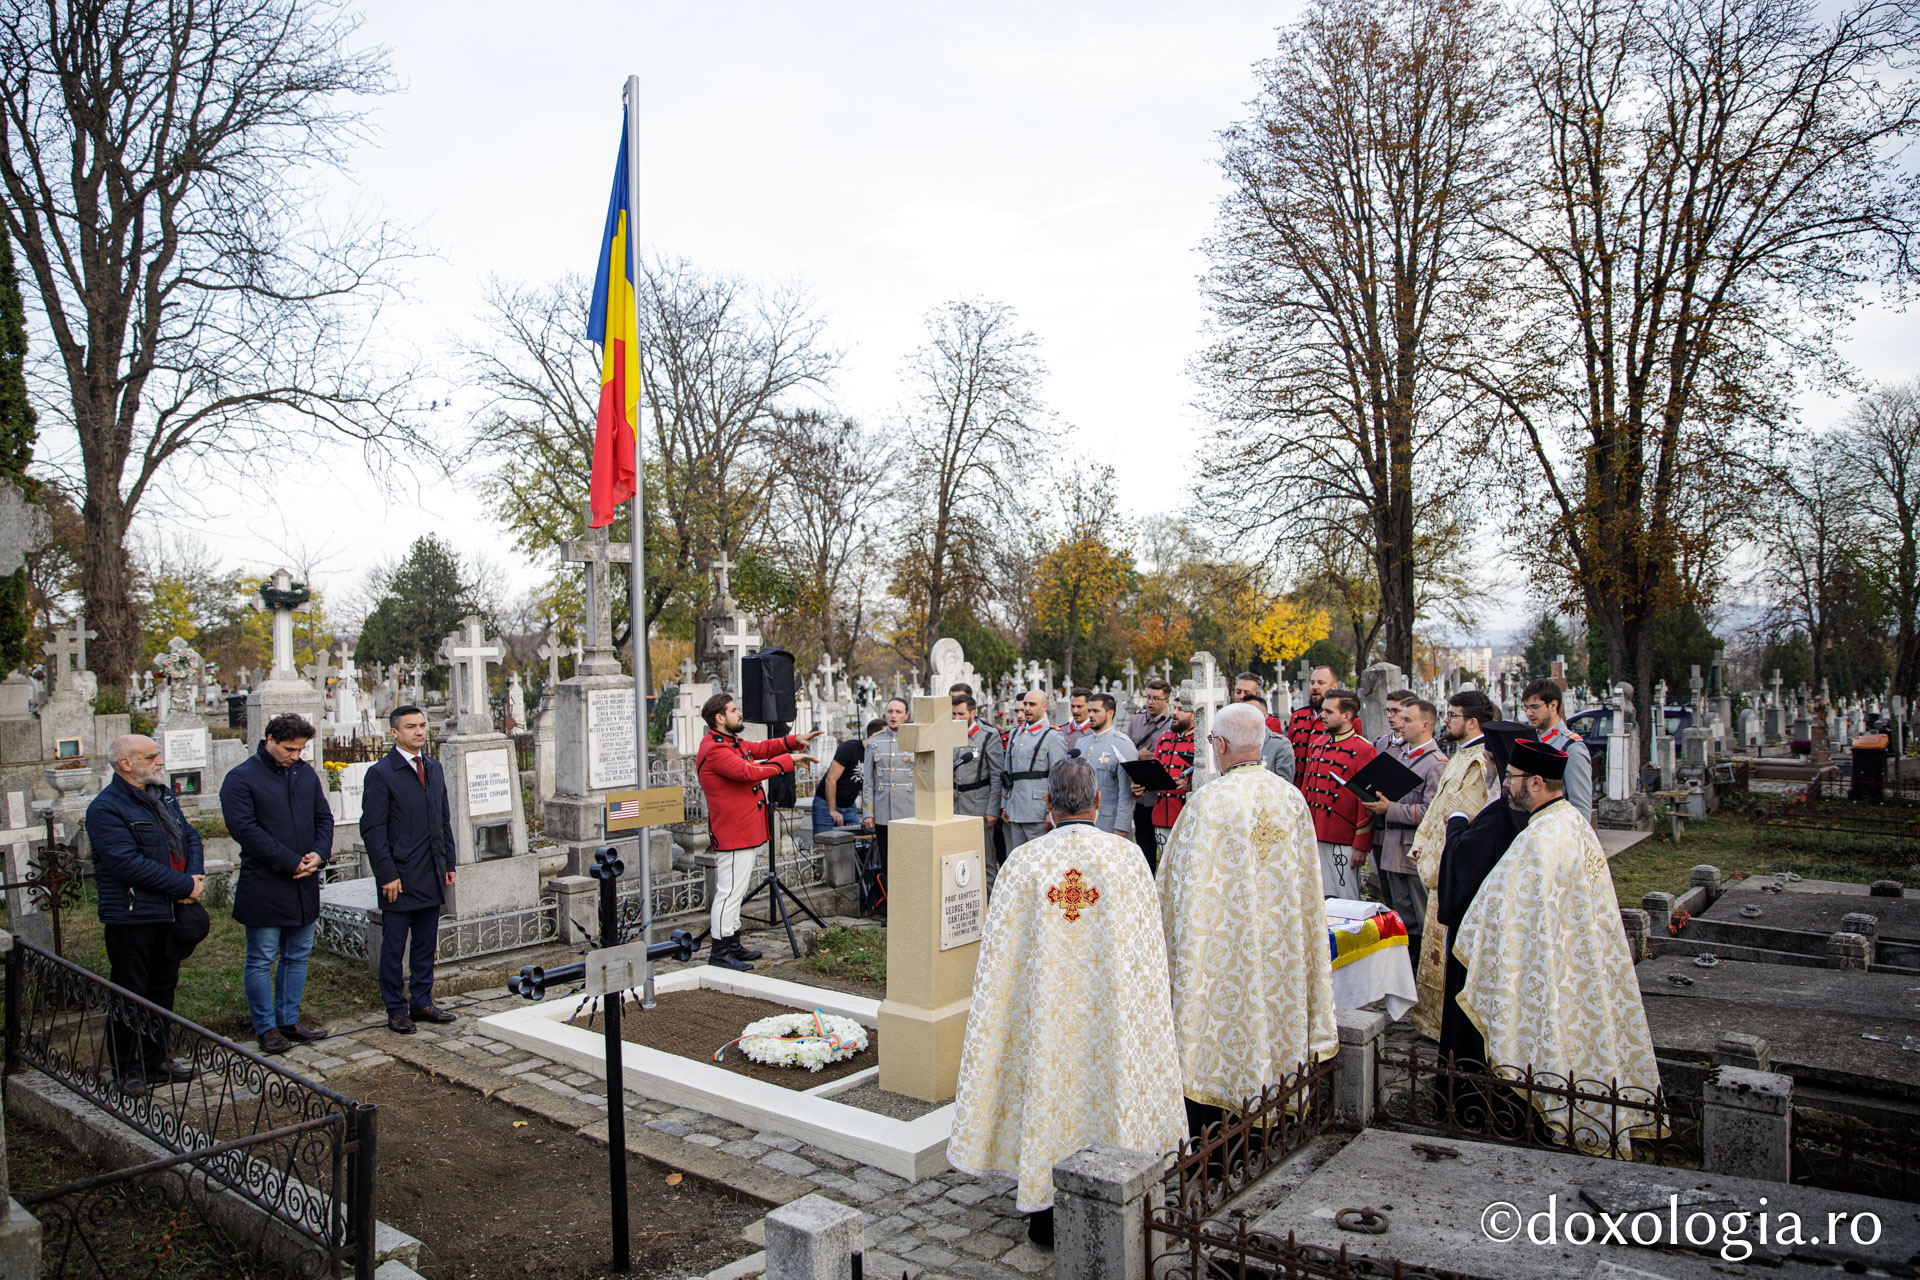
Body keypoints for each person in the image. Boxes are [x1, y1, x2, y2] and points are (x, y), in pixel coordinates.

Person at [948, 757, 1186, 1249]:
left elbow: (1000, 964)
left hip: (1047, 1024)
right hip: (1111, 1018)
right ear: (1099, 803)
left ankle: (1046, 1210)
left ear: (1047, 804)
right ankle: (1122, 1190)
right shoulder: (1127, 858)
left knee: (1051, 1093)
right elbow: (1148, 953)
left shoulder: (1024, 862)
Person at [1451, 738, 1663, 1154]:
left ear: (1534, 783)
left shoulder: (1540, 839)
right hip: (1577, 959)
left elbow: (1496, 910)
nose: (1505, 786)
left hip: (1551, 965)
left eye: (1510, 779)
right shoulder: (1570, 823)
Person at [1158, 703, 1336, 1137]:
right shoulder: (1290, 798)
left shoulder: (1209, 802)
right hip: (1280, 949)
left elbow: (1175, 888)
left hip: (1225, 959)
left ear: (1219, 745)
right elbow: (1308, 889)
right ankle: (1279, 1110)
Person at [87, 734, 206, 1094]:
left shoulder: (162, 795)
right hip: (133, 915)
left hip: (171, 911)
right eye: (152, 756)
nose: (161, 762)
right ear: (126, 764)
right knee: (131, 993)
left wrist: (194, 877)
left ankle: (156, 1058)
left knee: (162, 988)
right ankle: (127, 1068)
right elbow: (127, 865)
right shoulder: (106, 808)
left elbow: (190, 837)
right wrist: (183, 886)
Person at [221, 713, 333, 1056]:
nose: (295, 756)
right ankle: (266, 1027)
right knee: (262, 957)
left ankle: (289, 1019)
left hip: (304, 881)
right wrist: (289, 861)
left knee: (298, 955)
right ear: (269, 739)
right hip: (266, 881)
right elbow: (246, 831)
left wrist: (319, 854)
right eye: (289, 749)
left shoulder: (304, 773)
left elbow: (323, 817)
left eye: (300, 750)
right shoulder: (241, 779)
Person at [697, 693, 819, 971]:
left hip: (744, 829)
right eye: (733, 710)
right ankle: (719, 951)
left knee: (736, 892)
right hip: (732, 831)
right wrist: (788, 761)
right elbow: (748, 772)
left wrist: (791, 741)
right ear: (719, 718)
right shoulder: (714, 749)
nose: (739, 714)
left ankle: (732, 942)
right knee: (728, 892)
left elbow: (761, 748)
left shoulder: (731, 742)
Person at [1405, 690, 1499, 1039]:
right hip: (1439, 865)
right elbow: (1440, 807)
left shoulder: (1481, 761)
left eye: (1453, 715)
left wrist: (1439, 856)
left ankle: (1448, 1025)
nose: (1448, 720)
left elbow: (1465, 814)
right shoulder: (1461, 756)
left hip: (1454, 869)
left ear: (1472, 721)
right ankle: (1431, 1022)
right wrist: (1423, 846)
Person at [361, 705, 458, 1034]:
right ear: (394, 733)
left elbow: (443, 818)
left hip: (431, 870)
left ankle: (421, 1000)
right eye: (410, 727)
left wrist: (449, 861)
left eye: (422, 725)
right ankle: (395, 1007)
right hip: (399, 877)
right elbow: (373, 829)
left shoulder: (433, 768)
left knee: (425, 943)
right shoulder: (382, 773)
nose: (419, 731)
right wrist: (387, 873)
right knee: (394, 946)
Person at [1361, 699, 1444, 961]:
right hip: (1392, 849)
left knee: (1419, 919)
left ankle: (1420, 975)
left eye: (1408, 720)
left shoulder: (1436, 763)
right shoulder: (1401, 755)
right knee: (1400, 917)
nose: (1401, 724)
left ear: (1426, 725)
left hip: (1412, 853)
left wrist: (1391, 810)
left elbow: (1432, 812)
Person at [1298, 689, 1375, 898]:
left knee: (1347, 899)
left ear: (1346, 715)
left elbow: (1366, 802)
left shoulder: (1363, 749)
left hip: (1344, 838)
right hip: (1316, 834)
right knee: (1319, 898)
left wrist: (1361, 845)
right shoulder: (1318, 744)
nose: (1322, 715)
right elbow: (1307, 790)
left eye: (1329, 712)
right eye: (1323, 710)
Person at [999, 688, 1069, 855]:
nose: (1027, 708)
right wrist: (1004, 805)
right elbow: (1007, 773)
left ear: (1044, 706)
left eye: (1032, 704)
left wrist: (1051, 812)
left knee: (1040, 860)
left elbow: (1058, 778)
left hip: (1038, 812)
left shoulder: (1052, 737)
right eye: (1025, 704)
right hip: (1015, 809)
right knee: (1017, 859)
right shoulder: (1016, 734)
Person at [949, 694, 1005, 890]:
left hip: (979, 803)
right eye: (953, 714)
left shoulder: (988, 735)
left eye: (961, 714)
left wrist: (993, 809)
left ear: (973, 713)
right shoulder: (949, 733)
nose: (956, 718)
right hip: (955, 803)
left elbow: (997, 775)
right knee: (958, 856)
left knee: (985, 858)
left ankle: (990, 903)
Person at [1522, 678, 1593, 825]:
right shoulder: (1532, 740)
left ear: (1553, 705)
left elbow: (1581, 810)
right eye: (1526, 708)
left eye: (1535, 707)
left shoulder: (1571, 748)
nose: (1529, 713)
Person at [1136, 694, 1196, 870]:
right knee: (1165, 868)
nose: (1175, 713)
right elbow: (1154, 774)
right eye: (1175, 708)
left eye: (1181, 709)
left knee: (1186, 868)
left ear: (1194, 714)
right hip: (1161, 814)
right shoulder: (1164, 739)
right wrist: (1141, 785)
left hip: (1185, 815)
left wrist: (1189, 786)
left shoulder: (1199, 741)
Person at [1124, 678, 1174, 864]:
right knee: (1145, 847)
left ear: (1167, 701)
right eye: (1148, 698)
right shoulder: (1137, 720)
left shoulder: (1172, 723)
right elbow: (1126, 750)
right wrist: (1138, 754)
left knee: (1166, 848)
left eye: (1156, 699)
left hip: (1162, 798)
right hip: (1141, 796)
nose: (1150, 702)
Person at [861, 697, 913, 874]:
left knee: (909, 860)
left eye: (898, 712)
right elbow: (868, 780)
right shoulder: (874, 742)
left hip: (909, 809)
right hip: (884, 812)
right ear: (885, 714)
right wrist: (868, 812)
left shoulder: (915, 740)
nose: (894, 716)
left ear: (906, 715)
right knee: (887, 863)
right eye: (890, 711)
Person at [1076, 692, 1137, 836]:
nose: (1091, 715)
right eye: (1089, 710)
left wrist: (1121, 828)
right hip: (1082, 823)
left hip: (1109, 824)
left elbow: (1126, 793)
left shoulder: (1122, 744)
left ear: (1110, 713)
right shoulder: (1081, 742)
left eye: (1096, 711)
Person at [1235, 672, 1295, 782]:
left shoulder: (1270, 723)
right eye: (1238, 692)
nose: (1241, 696)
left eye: (1246, 692)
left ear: (1257, 695)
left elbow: (1271, 752)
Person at [811, 729, 865, 836]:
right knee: (824, 842)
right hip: (826, 805)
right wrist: (833, 810)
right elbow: (831, 779)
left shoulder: (877, 755)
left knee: (854, 844)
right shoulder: (850, 748)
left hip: (849, 806)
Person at [1287, 665, 1337, 763]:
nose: (1315, 687)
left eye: (1321, 683)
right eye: (1312, 683)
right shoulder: (1297, 717)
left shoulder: (1345, 720)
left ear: (1334, 687)